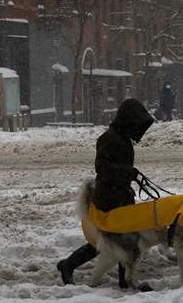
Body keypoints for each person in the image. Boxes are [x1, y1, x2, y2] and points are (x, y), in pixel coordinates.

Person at [57, 98, 154, 285]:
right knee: (113, 240)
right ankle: (70, 265)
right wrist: (127, 172)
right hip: (109, 198)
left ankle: (119, 277)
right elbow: (101, 167)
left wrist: (128, 177)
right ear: (128, 121)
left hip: (121, 195)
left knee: (115, 240)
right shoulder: (109, 138)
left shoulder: (123, 139)